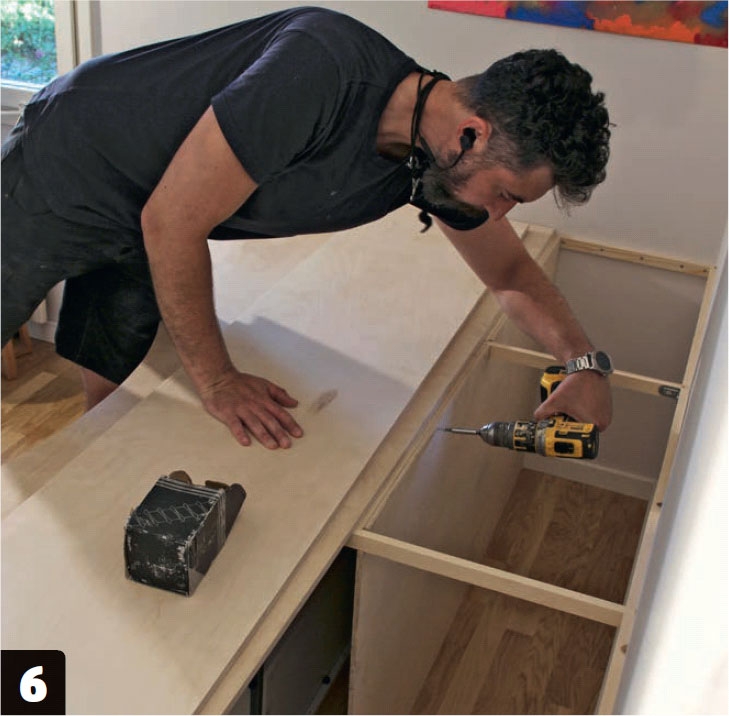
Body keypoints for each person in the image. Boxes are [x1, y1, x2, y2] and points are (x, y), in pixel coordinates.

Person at [2, 6, 613, 450]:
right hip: (72, 156)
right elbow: (172, 221)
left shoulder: (431, 163)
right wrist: (218, 381)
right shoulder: (322, 67)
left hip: (152, 205)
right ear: (471, 134)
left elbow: (508, 272)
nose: (499, 214)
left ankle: (81, 468)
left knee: (114, 359)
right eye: (506, 195)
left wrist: (583, 363)